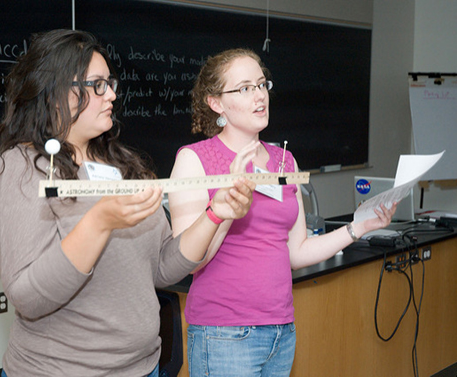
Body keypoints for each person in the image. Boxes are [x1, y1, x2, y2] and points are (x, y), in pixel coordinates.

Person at [0, 30, 255, 377]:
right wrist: (98, 223)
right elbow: (30, 298)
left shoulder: (122, 167)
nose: (111, 94)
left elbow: (163, 268)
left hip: (143, 368)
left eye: (110, 83)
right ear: (54, 94)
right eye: (97, 85)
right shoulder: (17, 168)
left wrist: (217, 213)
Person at [168, 48, 398, 377]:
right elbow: (190, 262)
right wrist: (230, 203)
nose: (260, 96)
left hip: (281, 330)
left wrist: (358, 227)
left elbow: (297, 250)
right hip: (225, 333)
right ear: (216, 103)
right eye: (245, 88)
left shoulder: (284, 161)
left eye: (262, 85)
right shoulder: (194, 160)